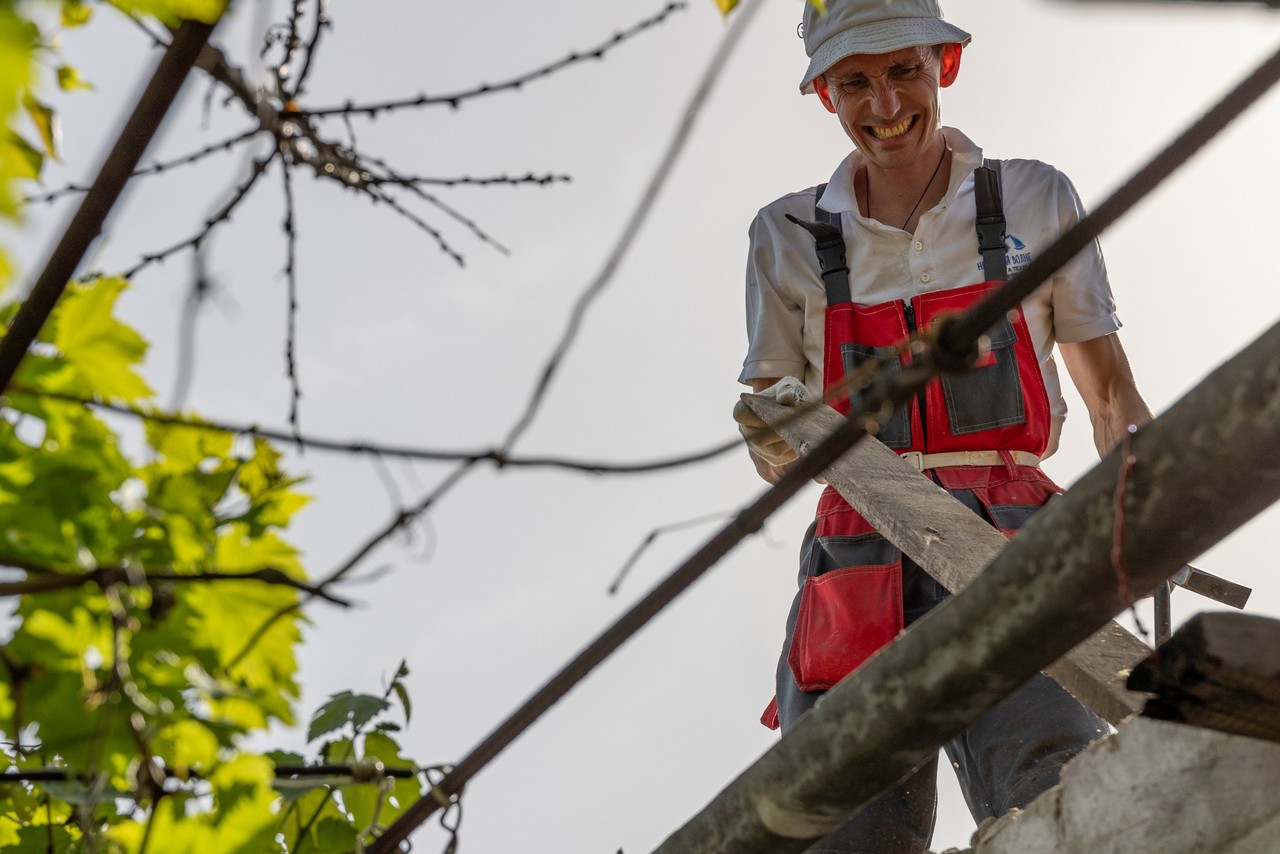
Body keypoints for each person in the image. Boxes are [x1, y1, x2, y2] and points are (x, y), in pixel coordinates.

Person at [732, 1, 1154, 851]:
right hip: (858, 548)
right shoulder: (785, 235)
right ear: (825, 93)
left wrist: (1150, 502)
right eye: (855, 82)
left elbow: (1111, 396)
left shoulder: (1032, 197)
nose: (884, 106)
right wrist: (777, 433)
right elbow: (772, 431)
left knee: (1062, 786)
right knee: (844, 823)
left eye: (902, 73)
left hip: (1015, 532)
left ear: (943, 66)